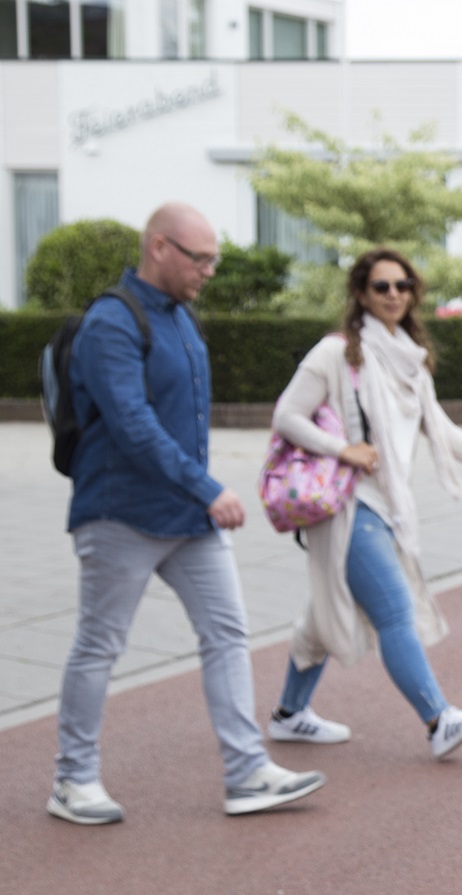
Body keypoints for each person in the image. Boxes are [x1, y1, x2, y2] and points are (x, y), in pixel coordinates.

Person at [51, 203, 325, 825]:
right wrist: (207, 487)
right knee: (100, 645)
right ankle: (72, 780)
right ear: (158, 248)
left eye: (214, 259)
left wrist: (199, 496)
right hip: (120, 514)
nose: (209, 271)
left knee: (228, 634)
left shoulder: (181, 318)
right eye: (199, 259)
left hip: (189, 521)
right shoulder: (111, 322)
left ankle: (246, 772)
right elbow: (131, 424)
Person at [266, 247, 462, 759]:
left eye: (403, 285)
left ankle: (288, 713)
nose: (394, 295)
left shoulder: (409, 359)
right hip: (349, 504)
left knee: (322, 615)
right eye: (382, 286)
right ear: (361, 294)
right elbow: (287, 416)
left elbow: (438, 426)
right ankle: (439, 721)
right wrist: (341, 447)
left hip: (387, 504)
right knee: (394, 609)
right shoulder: (336, 354)